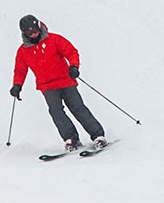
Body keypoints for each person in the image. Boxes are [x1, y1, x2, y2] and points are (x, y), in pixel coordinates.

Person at [11, 15, 107, 153]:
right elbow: (20, 70)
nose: (33, 33)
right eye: (29, 32)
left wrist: (74, 66)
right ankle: (71, 139)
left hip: (65, 80)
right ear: (24, 33)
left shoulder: (54, 39)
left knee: (77, 108)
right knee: (56, 112)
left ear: (39, 26)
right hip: (47, 86)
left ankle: (98, 135)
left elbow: (71, 52)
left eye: (34, 29)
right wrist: (17, 85)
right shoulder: (23, 51)